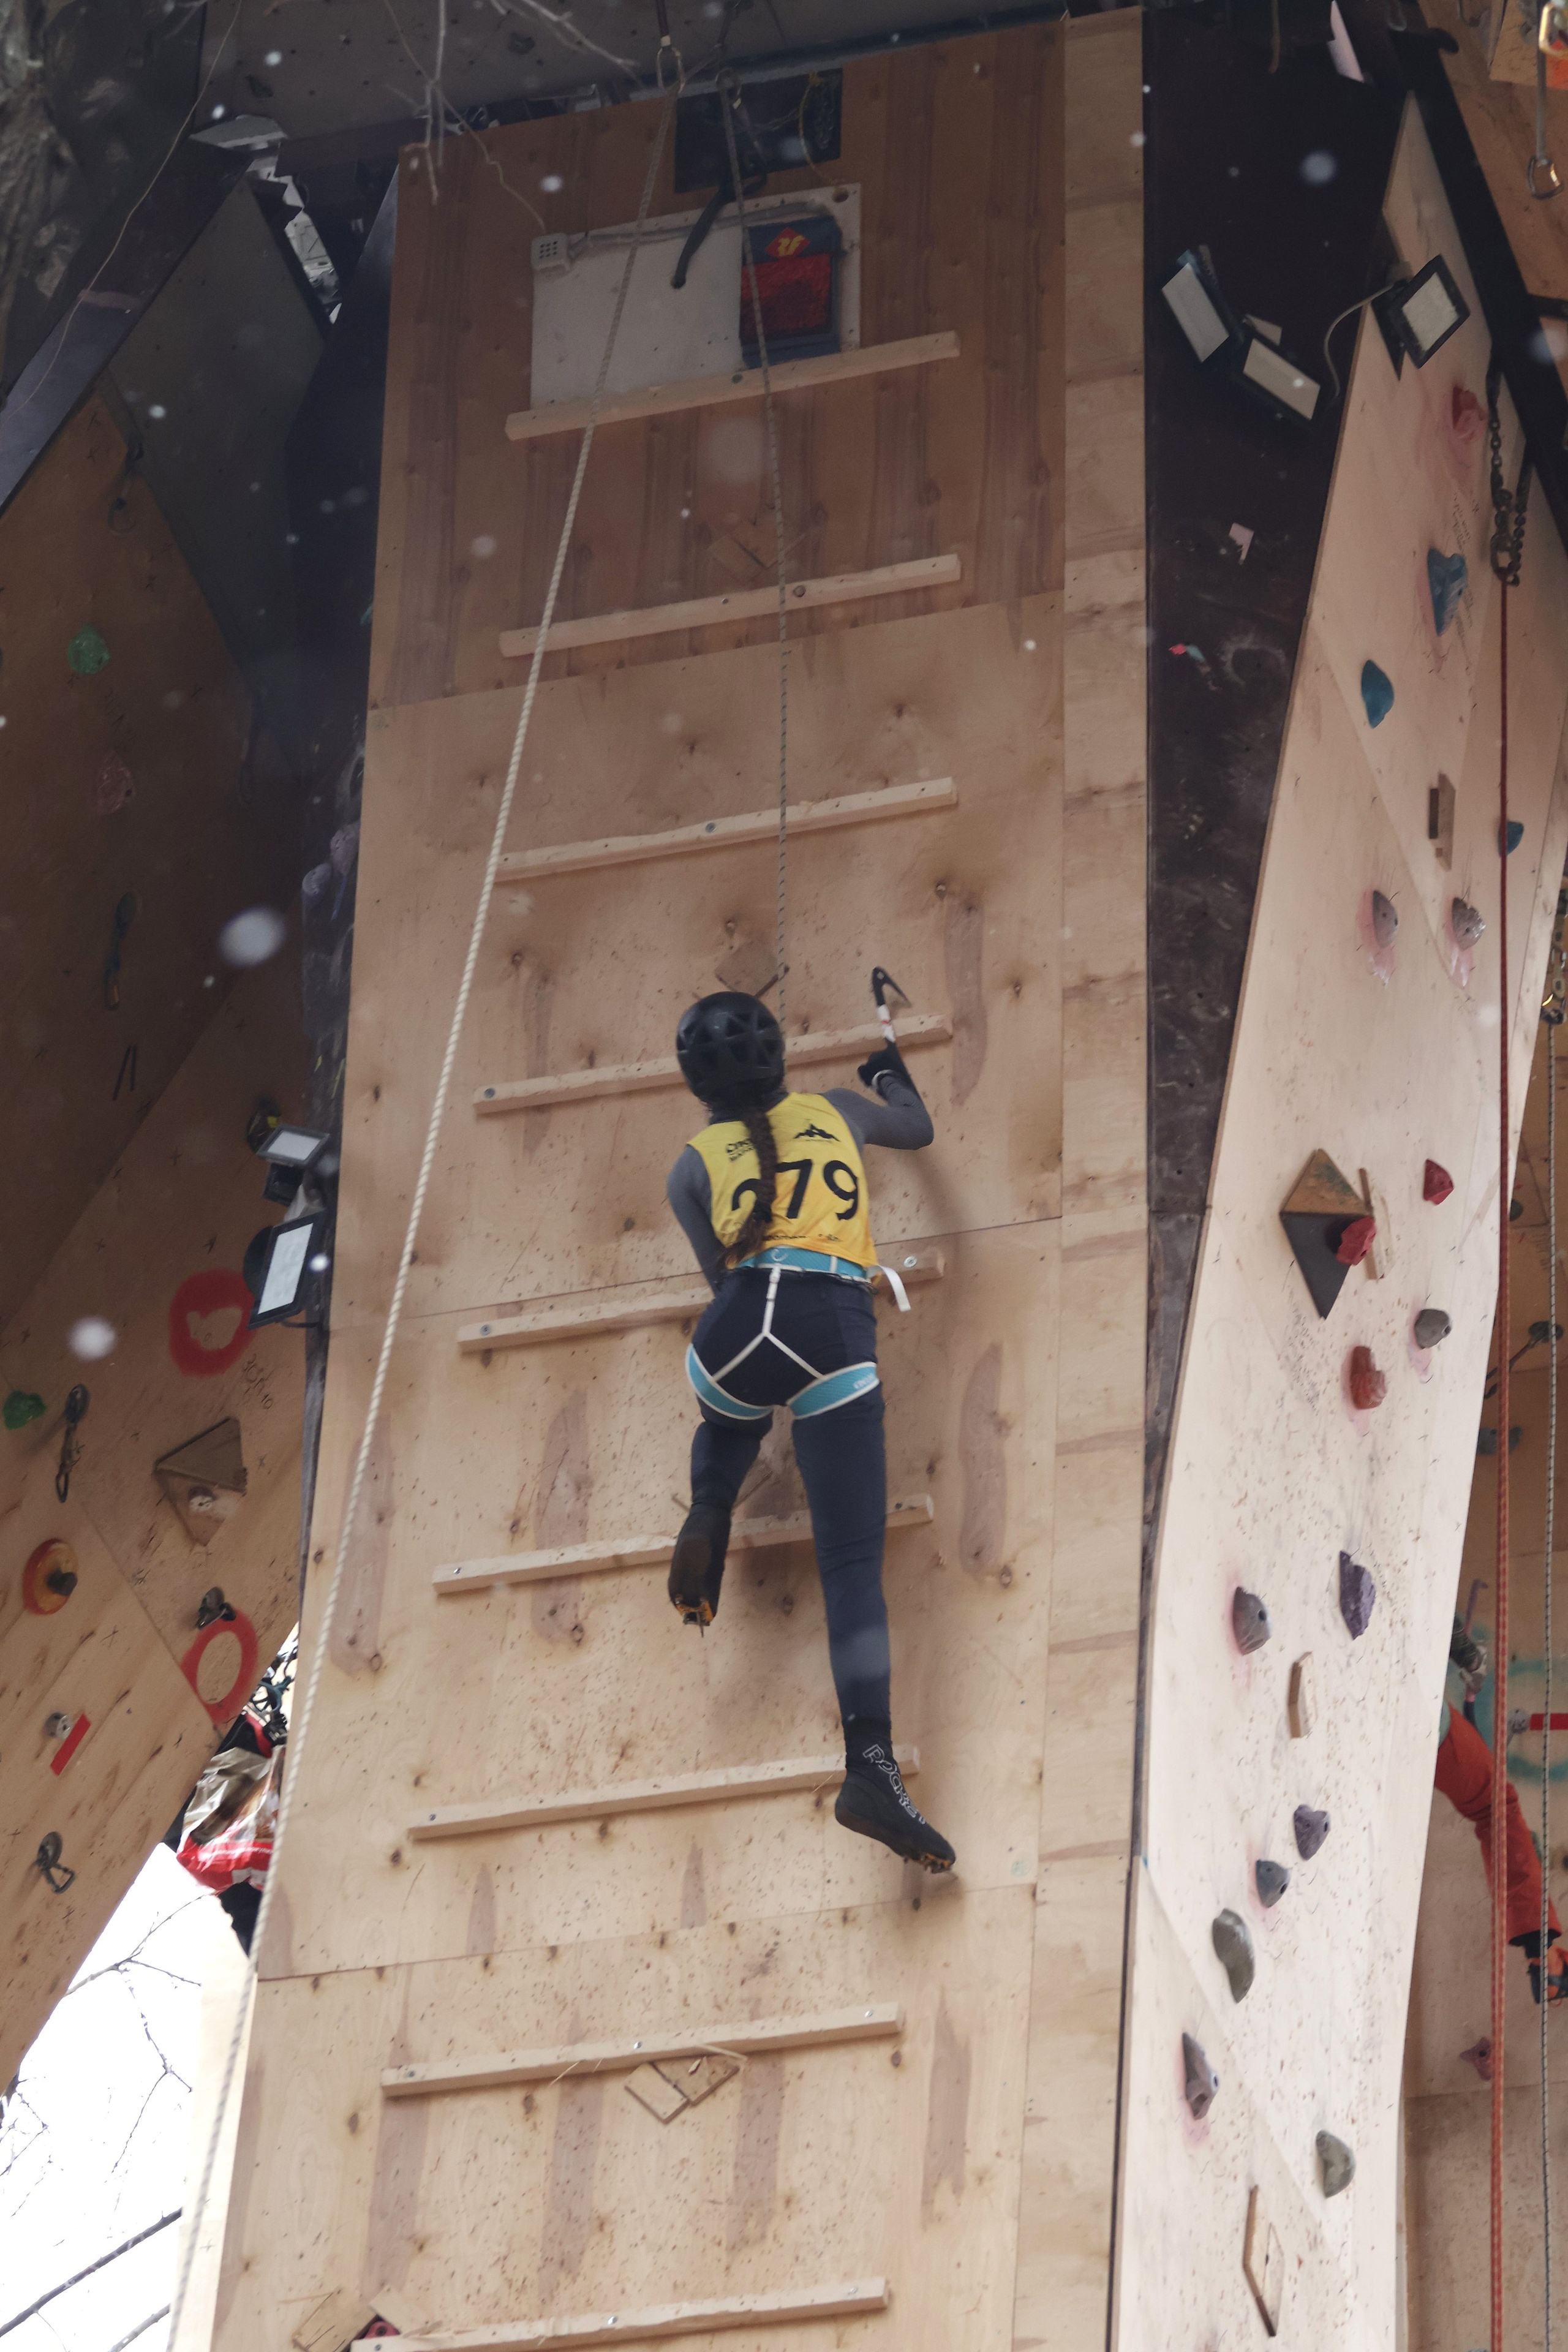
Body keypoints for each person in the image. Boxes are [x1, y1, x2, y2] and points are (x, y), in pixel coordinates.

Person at [665, 989, 955, 1873]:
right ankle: (868, 1766)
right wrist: (886, 1070)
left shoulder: (689, 1166)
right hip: (830, 1325)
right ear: (782, 1057)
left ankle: (710, 1496)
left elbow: (721, 1276)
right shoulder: (838, 1112)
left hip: (734, 1332)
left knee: (734, 1404)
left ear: (695, 1087)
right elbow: (919, 1128)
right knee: (851, 1569)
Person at [1438, 1620, 1566, 2004]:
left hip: (1446, 1740)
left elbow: (1504, 1832)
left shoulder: (1497, 1804)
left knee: (1501, 1813)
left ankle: (1547, 1963)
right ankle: (1546, 1963)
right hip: (1449, 1750)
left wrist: (1541, 1952)